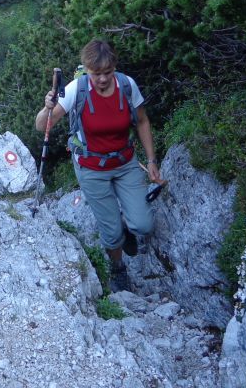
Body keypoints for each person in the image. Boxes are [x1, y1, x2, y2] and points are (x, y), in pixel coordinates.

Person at [35, 39, 165, 293]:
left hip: (125, 163)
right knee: (111, 235)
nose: (102, 79)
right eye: (96, 74)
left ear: (114, 67)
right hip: (91, 168)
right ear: (87, 69)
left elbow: (142, 121)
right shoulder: (77, 89)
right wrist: (47, 107)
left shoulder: (127, 86)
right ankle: (118, 267)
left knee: (144, 225)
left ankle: (125, 225)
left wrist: (151, 160)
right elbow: (42, 125)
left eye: (107, 73)